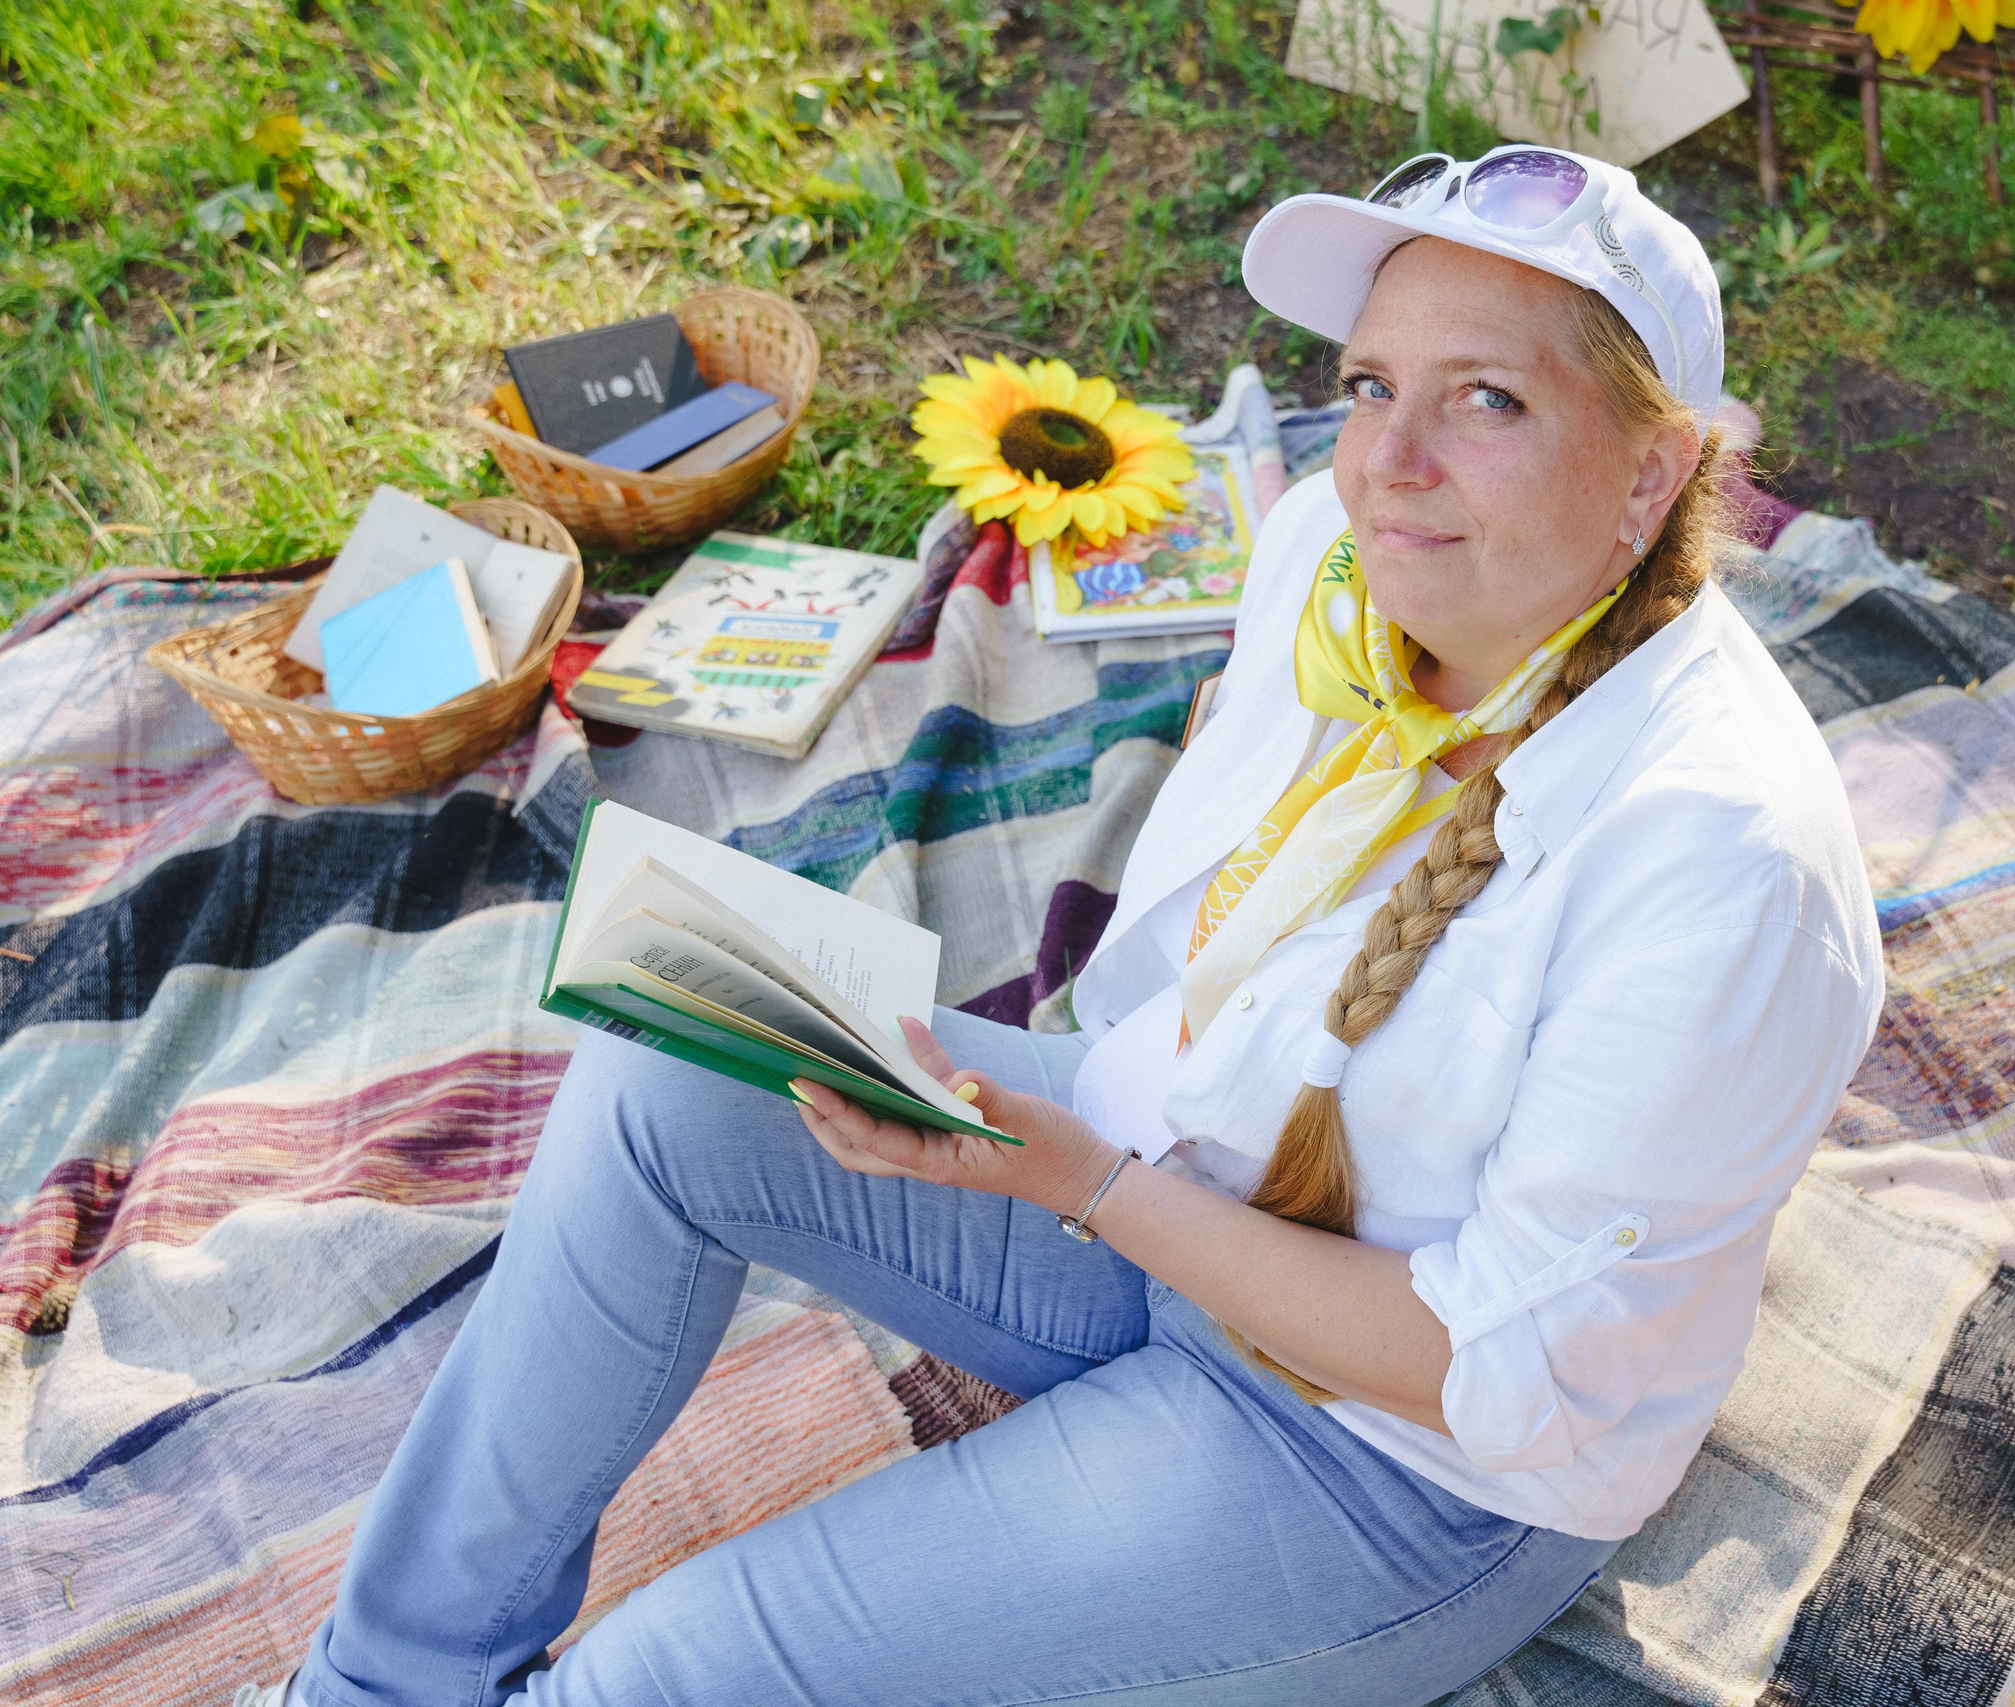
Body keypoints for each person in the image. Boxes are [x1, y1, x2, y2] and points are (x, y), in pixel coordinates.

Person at [241, 145, 1883, 1707]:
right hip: (1164, 1176)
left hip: (1387, 1461)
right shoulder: (1336, 557)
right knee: (671, 1049)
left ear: (1654, 469)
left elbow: (1500, 1382)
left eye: (1490, 400)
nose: (1391, 462)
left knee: (654, 1677)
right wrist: (1086, 1152)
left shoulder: (1723, 866)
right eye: (1373, 384)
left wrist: (1087, 1183)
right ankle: (379, 1684)